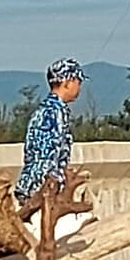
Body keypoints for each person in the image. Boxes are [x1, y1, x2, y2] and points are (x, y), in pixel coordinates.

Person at [16, 58, 83, 205]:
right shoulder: (53, 113)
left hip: (35, 188)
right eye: (78, 81)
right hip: (42, 191)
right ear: (67, 82)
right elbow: (47, 157)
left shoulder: (47, 110)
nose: (79, 87)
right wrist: (51, 189)